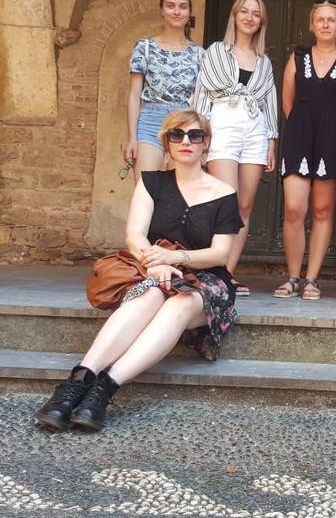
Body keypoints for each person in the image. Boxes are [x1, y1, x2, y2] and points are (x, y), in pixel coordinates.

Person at [36, 109, 243, 432]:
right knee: (148, 296)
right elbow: (134, 235)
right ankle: (75, 385)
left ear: (206, 143)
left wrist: (174, 258)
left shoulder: (224, 193)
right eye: (176, 134)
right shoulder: (152, 182)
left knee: (180, 303)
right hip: (153, 267)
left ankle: (103, 391)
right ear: (167, 142)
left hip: (206, 279)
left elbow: (219, 253)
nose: (185, 141)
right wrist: (156, 263)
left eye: (195, 135)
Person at [193, 0, 279, 296]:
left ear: (261, 21)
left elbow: (269, 103)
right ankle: (211, 271)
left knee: (244, 205)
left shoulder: (264, 62)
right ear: (235, 16)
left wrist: (271, 141)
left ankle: (227, 275)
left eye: (256, 13)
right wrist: (200, 135)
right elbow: (202, 93)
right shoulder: (216, 51)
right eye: (244, 11)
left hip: (254, 129)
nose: (249, 17)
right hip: (223, 124)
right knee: (226, 202)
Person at [273, 1, 336, 300]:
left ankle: (312, 279)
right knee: (294, 209)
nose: (325, 24)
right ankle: (293, 277)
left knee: (323, 210)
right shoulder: (297, 57)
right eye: (320, 19)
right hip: (300, 138)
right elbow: (287, 102)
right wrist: (303, 124)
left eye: (331, 20)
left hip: (333, 140)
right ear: (312, 25)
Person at [124, 0, 205, 182]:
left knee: (177, 193)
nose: (177, 11)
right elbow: (134, 96)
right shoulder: (144, 48)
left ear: (189, 12)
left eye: (183, 7)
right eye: (170, 6)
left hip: (183, 123)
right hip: (150, 121)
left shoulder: (199, 54)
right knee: (145, 189)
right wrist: (132, 138)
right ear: (161, 10)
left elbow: (201, 100)